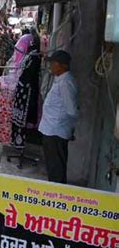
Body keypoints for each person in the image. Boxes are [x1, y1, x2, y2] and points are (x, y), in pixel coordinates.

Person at [39, 51, 78, 184]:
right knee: (53, 165)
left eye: (53, 63)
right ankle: (55, 191)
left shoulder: (66, 83)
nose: (50, 66)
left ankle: (57, 195)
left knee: (56, 168)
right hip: (51, 129)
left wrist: (68, 128)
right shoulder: (60, 79)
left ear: (62, 66)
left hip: (56, 131)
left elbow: (72, 110)